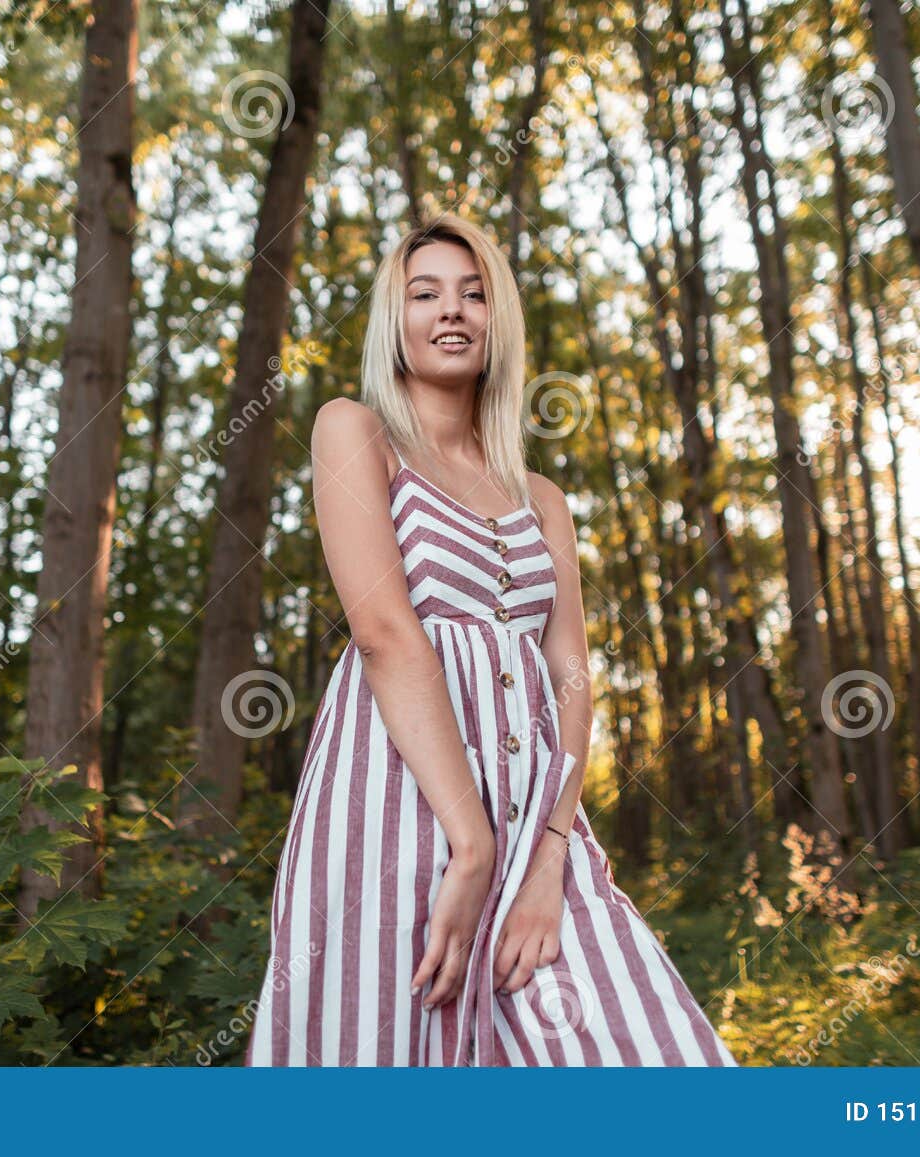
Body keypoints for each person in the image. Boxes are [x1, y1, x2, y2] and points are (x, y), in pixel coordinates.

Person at [244, 212, 736, 1066]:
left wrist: (545, 853)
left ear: (497, 318)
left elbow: (571, 672)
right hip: (394, 802)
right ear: (393, 321)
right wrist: (470, 845)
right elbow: (385, 633)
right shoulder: (352, 431)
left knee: (639, 1055)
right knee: (388, 1051)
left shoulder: (540, 494)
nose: (452, 310)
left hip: (538, 818)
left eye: (474, 294)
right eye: (424, 291)